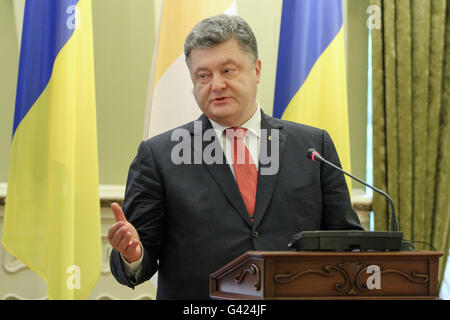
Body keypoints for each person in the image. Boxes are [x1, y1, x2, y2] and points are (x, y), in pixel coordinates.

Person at [108, 14, 363, 299]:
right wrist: (133, 254)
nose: (216, 85)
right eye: (203, 75)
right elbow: (136, 261)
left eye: (228, 71)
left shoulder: (314, 148)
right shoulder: (159, 156)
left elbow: (346, 241)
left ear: (256, 70)